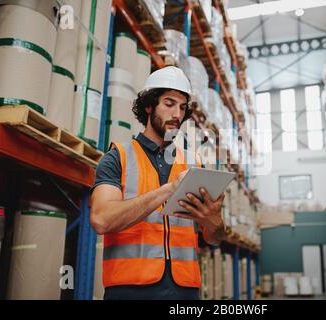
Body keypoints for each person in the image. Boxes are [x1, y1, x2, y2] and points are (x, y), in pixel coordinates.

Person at [90, 66, 226, 300]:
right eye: (169, 103)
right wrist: (170, 189)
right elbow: (102, 220)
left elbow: (213, 238)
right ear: (149, 105)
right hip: (129, 290)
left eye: (182, 107)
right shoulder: (118, 157)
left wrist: (213, 221)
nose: (177, 114)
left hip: (184, 291)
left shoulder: (194, 164)